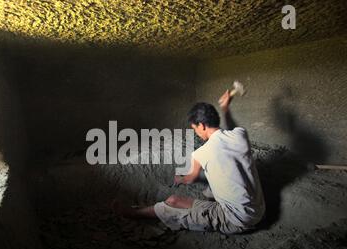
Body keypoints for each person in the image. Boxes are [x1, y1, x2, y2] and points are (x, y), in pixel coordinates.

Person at [113, 90, 265, 234]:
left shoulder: (201, 153)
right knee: (178, 197)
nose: (197, 133)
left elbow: (190, 178)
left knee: (170, 206)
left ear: (202, 125)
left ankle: (133, 213)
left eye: (195, 129)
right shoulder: (240, 135)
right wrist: (225, 108)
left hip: (236, 220)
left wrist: (179, 178)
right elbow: (231, 127)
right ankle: (209, 198)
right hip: (258, 210)